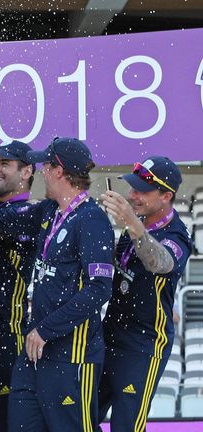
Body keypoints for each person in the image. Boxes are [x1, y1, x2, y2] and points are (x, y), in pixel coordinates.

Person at [0, 137, 114, 431]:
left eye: (45, 165)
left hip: (72, 356)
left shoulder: (92, 219)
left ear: (58, 171)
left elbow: (99, 289)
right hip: (34, 353)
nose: (40, 172)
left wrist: (45, 331)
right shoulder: (50, 211)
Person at [98, 157, 192, 432]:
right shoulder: (136, 225)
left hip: (144, 345)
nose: (131, 195)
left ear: (166, 196)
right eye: (132, 188)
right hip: (109, 333)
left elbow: (160, 263)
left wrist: (131, 223)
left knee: (127, 426)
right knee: (81, 415)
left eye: (141, 190)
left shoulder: (176, 234)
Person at [0, 140, 36, 432]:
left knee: (6, 422)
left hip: (7, 334)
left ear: (26, 172)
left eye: (5, 164)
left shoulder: (31, 213)